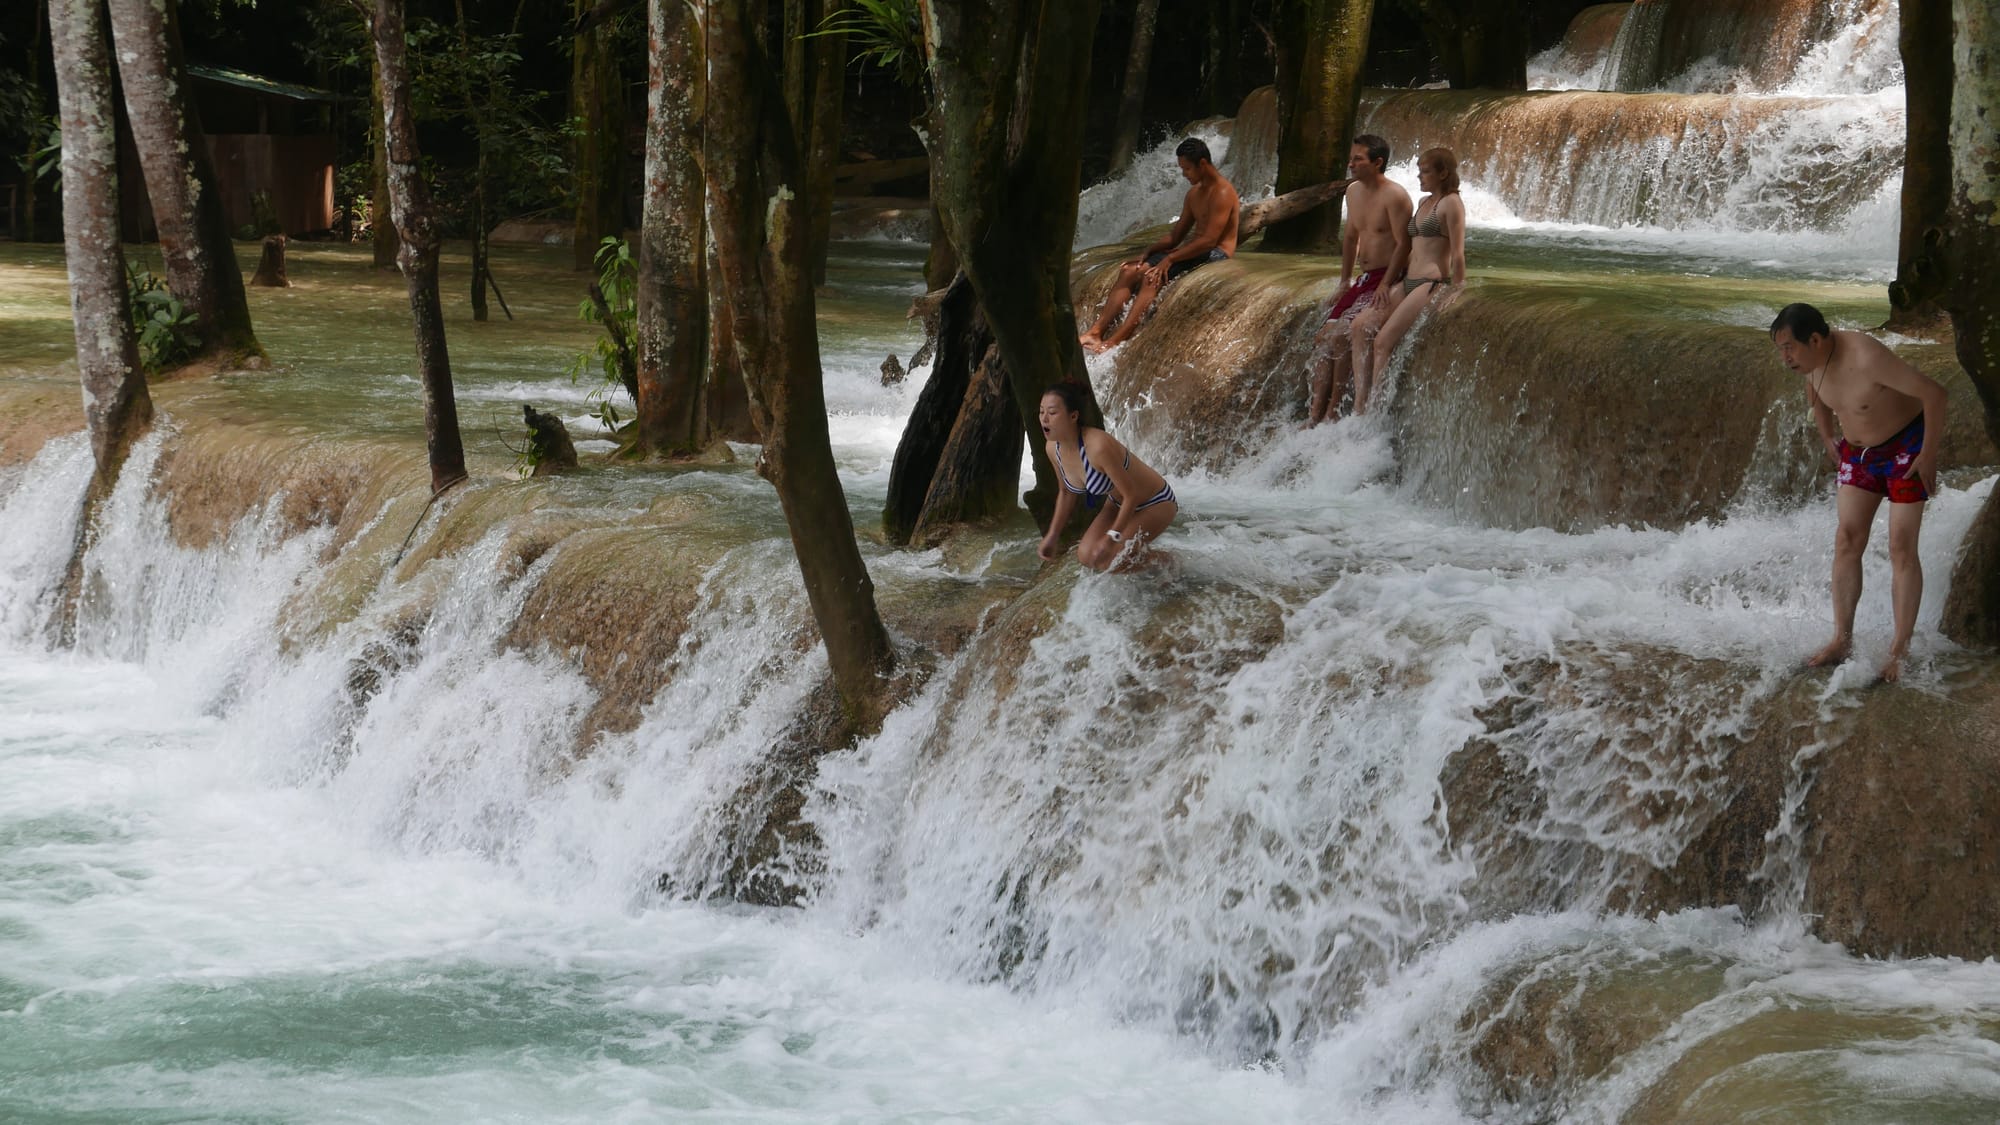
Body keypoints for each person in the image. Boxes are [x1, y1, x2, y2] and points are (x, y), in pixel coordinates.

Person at [1772, 302, 1948, 683]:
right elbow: (1816, 395)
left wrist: (1929, 454)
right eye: (1780, 350)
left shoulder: (1867, 357)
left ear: (1815, 339)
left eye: (1789, 348)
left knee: (1901, 546)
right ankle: (1842, 639)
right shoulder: (1812, 363)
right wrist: (1827, 437)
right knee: (1847, 540)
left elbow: (1935, 394)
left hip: (1906, 449)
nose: (1785, 358)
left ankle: (1899, 651)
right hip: (1858, 454)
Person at [1079, 138, 1241, 355]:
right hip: (1195, 250)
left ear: (1202, 164)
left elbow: (1209, 241)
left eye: (1187, 169)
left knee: (1151, 277)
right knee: (1129, 271)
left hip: (1216, 254)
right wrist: (1150, 250)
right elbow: (1175, 236)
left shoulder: (1222, 192)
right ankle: (1095, 332)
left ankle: (1115, 341)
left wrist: (1170, 259)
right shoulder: (1194, 194)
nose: (1184, 174)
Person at [1348, 146, 1467, 416]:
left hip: (1429, 283)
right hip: (1408, 280)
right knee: (1360, 326)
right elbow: (1411, 247)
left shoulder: (1451, 204)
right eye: (1419, 171)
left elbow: (1458, 253)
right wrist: (1387, 283)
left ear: (1443, 173)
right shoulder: (1425, 202)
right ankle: (1360, 404)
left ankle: (1375, 413)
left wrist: (1458, 290)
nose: (1419, 177)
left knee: (1382, 342)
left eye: (1425, 172)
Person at [1307, 134, 1412, 425]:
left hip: (1386, 276)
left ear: (1377, 163)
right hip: (1364, 278)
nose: (1350, 164)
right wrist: (1344, 281)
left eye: (1358, 159)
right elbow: (1351, 236)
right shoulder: (1352, 192)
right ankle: (1315, 412)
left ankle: (1334, 410)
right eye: (1351, 158)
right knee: (1322, 338)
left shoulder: (1396, 196)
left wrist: (1385, 284)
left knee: (1342, 335)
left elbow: (1405, 245)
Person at [1035, 382, 1178, 571]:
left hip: (1155, 501)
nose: (1044, 418)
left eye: (1052, 413)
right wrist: (1052, 535)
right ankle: (1142, 557)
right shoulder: (1053, 449)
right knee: (1087, 557)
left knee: (1109, 559)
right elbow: (1066, 492)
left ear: (1073, 416)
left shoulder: (1098, 446)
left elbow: (1131, 495)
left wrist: (1112, 537)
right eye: (1041, 411)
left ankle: (1168, 562)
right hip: (1117, 504)